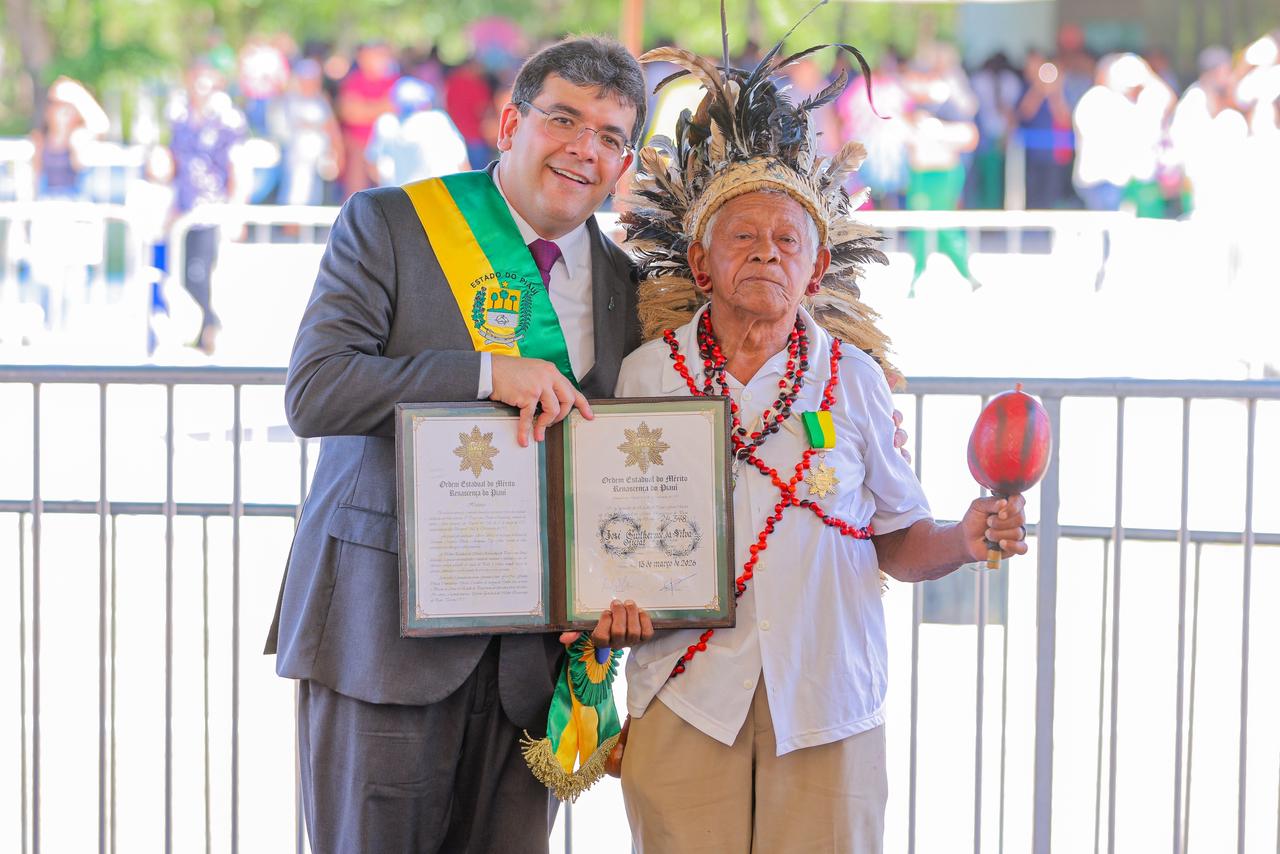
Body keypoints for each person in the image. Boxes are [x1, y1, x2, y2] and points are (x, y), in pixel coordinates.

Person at [609, 33, 1029, 853]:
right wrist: (606, 603)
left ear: (817, 265)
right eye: (742, 236)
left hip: (829, 698)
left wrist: (966, 539)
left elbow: (899, 541)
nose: (767, 249)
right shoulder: (645, 377)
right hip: (685, 690)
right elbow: (609, 536)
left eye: (788, 239)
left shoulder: (856, 381)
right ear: (699, 261)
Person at [265, 36, 653, 853]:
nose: (586, 149)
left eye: (613, 137)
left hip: (532, 663)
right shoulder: (392, 224)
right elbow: (315, 390)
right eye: (564, 119)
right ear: (510, 121)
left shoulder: (630, 288)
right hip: (382, 638)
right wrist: (482, 374)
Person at [167, 58, 246, 353]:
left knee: (201, 274)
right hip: (184, 206)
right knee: (185, 274)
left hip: (212, 207)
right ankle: (202, 331)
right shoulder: (179, 116)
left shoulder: (228, 120)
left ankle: (209, 329)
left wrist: (236, 211)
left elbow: (236, 166)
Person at [364, 76, 469, 186]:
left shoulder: (386, 123)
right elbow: (463, 164)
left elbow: (372, 166)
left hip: (401, 197)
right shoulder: (438, 120)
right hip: (439, 195)